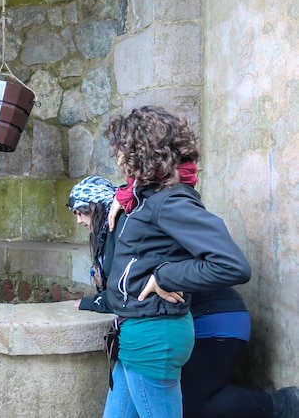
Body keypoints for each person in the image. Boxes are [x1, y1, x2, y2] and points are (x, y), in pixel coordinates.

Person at [69, 175, 299, 418]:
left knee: (191, 405)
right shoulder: (123, 224)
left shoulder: (129, 220)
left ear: (97, 207)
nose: (78, 220)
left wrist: (93, 301)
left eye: (81, 211)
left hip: (218, 319)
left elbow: (127, 291)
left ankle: (283, 405)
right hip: (188, 318)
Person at [99, 105, 252, 418]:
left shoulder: (170, 200)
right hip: (135, 332)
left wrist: (166, 276)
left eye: (122, 150)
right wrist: (123, 195)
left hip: (154, 335)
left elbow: (232, 264)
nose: (117, 159)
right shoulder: (147, 196)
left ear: (143, 151)